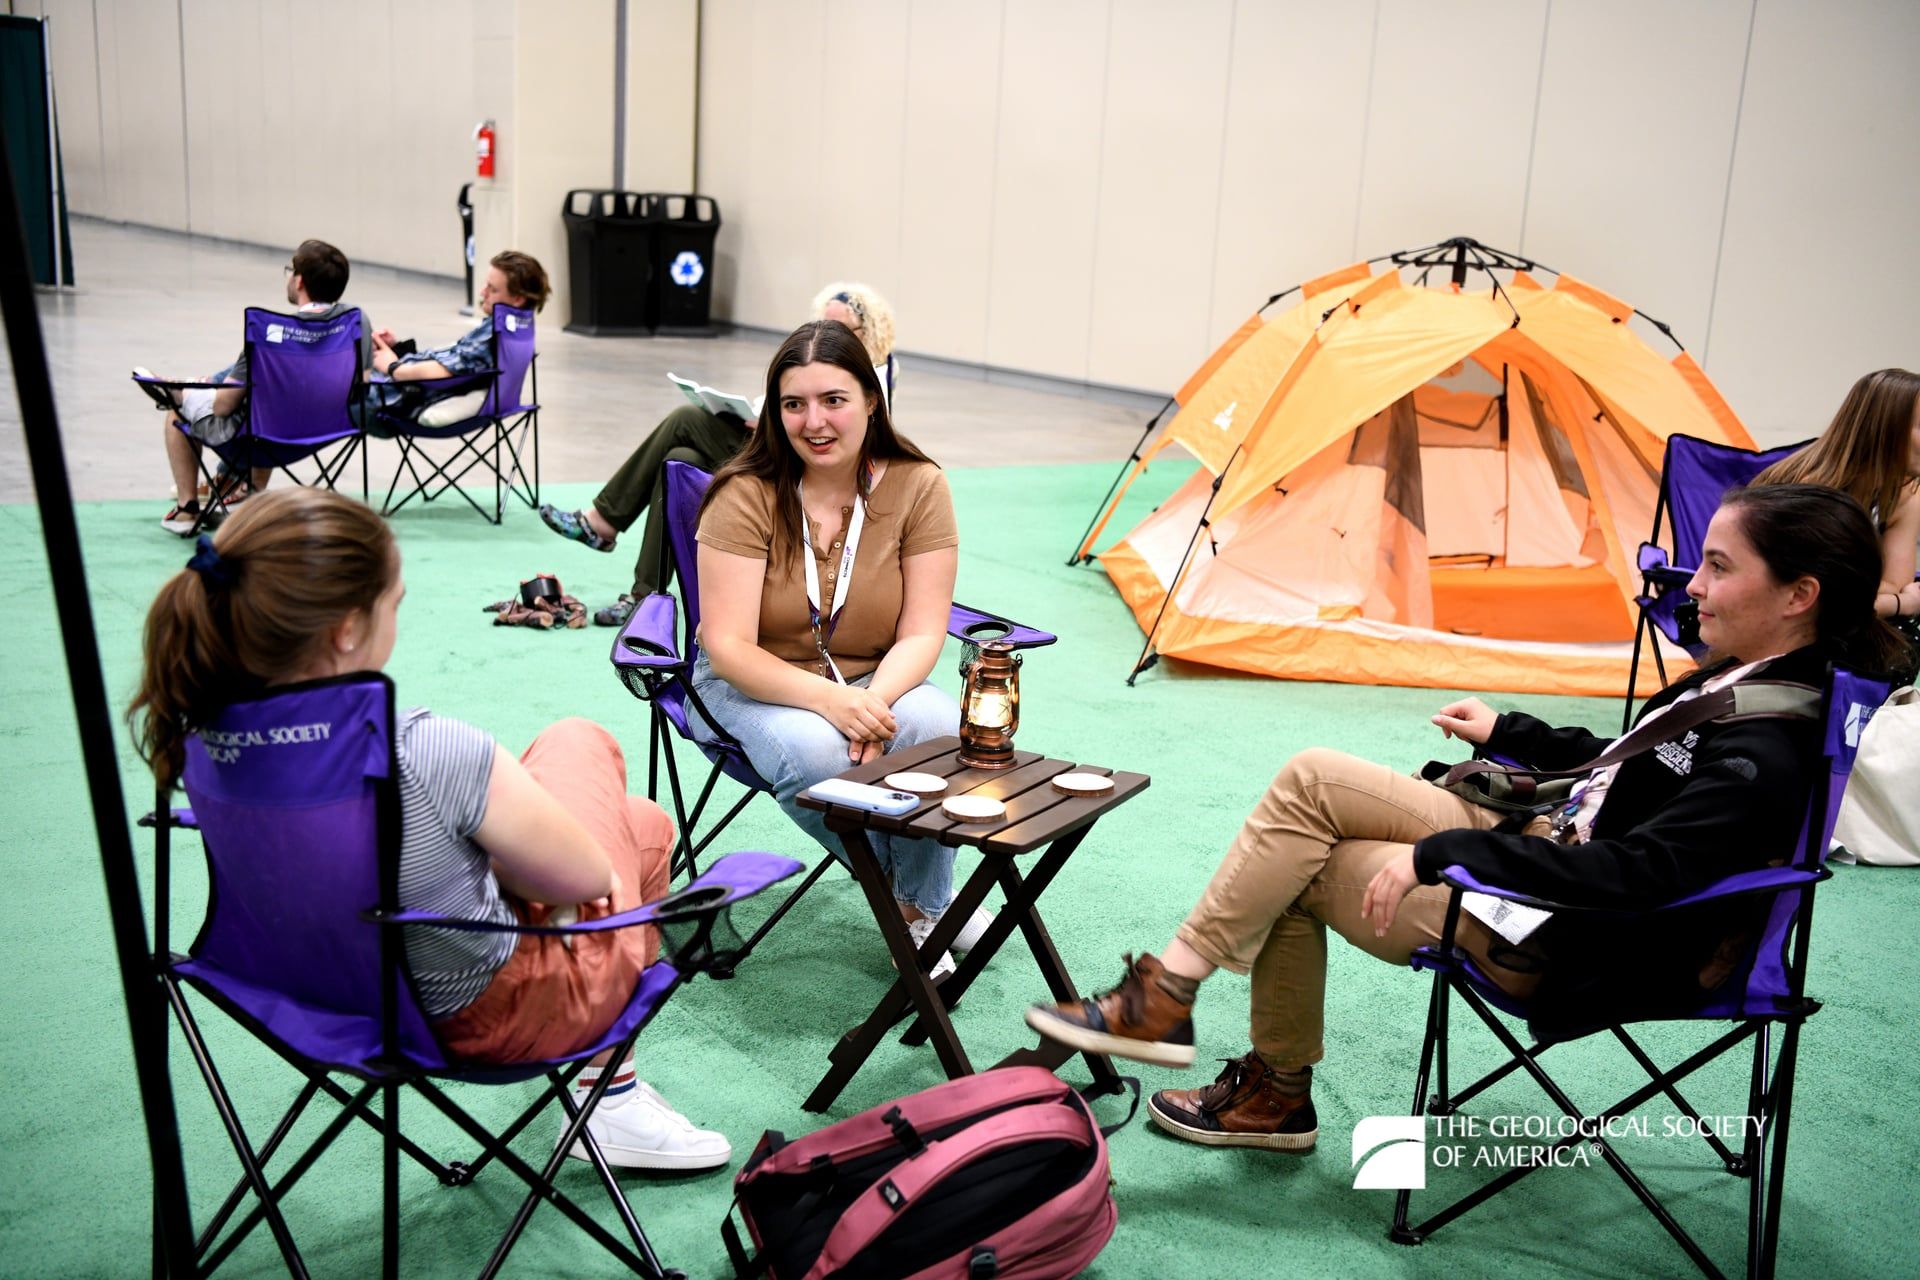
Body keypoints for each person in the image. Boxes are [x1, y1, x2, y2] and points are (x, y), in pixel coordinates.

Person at [1026, 484, 1906, 1154]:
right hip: (1546, 844)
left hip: (1576, 934)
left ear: (1799, 594)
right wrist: (1513, 732)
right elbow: (1642, 756)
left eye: (1721, 566)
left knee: (1295, 869)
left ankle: (1260, 1080)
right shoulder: (1744, 674)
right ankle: (1173, 1004)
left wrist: (1449, 854)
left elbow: (1643, 876)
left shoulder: (1770, 748)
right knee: (1311, 780)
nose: (1694, 583)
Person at [126, 487, 731, 1171]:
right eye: (395, 604)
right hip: (479, 1015)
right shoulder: (419, 749)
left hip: (306, 995)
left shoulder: (199, 733)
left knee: (629, 815)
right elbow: (590, 881)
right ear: (348, 629)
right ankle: (609, 1095)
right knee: (597, 762)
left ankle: (610, 1094)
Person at [686, 319, 987, 980]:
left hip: (874, 673)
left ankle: (915, 909)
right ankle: (919, 907)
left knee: (938, 730)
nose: (813, 421)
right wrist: (834, 703)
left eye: (833, 400)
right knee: (820, 756)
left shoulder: (919, 486)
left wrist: (872, 704)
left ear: (872, 400)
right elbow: (729, 645)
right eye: (794, 404)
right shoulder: (743, 493)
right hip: (752, 680)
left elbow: (922, 633)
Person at [538, 282, 900, 627]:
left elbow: (857, 437)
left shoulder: (873, 373)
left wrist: (777, 424)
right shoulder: (817, 362)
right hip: (781, 443)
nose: (825, 331)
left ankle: (602, 521)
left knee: (685, 419)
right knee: (678, 461)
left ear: (865, 331)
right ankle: (644, 598)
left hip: (804, 466)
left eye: (837, 325)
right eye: (820, 323)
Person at [137, 239, 362, 534]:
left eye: (290, 271)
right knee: (265, 394)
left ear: (299, 281)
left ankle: (186, 510)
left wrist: (210, 397)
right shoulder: (356, 328)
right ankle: (246, 489)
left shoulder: (268, 335)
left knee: (180, 413)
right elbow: (362, 384)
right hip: (323, 434)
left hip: (260, 441)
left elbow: (223, 407)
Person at [1753, 367, 1920, 625]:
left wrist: (1885, 597)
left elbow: (1896, 583)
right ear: (1884, 428)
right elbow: (1804, 602)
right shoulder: (1805, 491)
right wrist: (1900, 604)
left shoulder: (1906, 491)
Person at [363, 250, 549, 424]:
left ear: (517, 298)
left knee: (341, 394)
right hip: (414, 388)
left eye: (493, 289)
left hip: (398, 400)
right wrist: (398, 350)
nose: (482, 293)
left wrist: (393, 367)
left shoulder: (493, 333)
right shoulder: (517, 330)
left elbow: (444, 372)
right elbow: (453, 363)